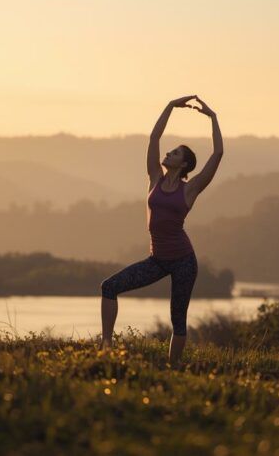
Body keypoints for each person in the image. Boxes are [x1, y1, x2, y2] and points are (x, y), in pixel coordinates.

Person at [99, 94, 223, 366]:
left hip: (183, 261)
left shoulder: (190, 189)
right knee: (109, 287)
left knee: (178, 318)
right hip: (157, 260)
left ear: (184, 164)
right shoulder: (154, 177)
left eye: (175, 153)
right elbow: (154, 138)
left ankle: (172, 367)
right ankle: (106, 347)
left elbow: (217, 155)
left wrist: (213, 118)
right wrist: (170, 106)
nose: (168, 153)